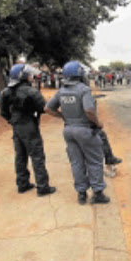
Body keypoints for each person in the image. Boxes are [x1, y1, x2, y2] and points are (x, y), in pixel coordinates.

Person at [45, 61, 110, 205]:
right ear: (79, 74)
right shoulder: (83, 90)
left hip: (68, 130)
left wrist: (63, 116)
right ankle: (98, 193)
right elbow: (89, 110)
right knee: (94, 161)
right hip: (85, 130)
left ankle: (81, 193)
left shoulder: (61, 91)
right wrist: (98, 122)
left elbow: (48, 109)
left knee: (76, 162)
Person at [0, 64, 56, 196]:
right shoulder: (32, 91)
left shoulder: (5, 92)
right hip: (29, 124)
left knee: (20, 156)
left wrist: (12, 120)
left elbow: (3, 112)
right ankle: (42, 187)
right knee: (37, 156)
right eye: (29, 75)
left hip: (17, 126)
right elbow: (43, 108)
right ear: (23, 76)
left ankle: (22, 184)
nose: (31, 77)